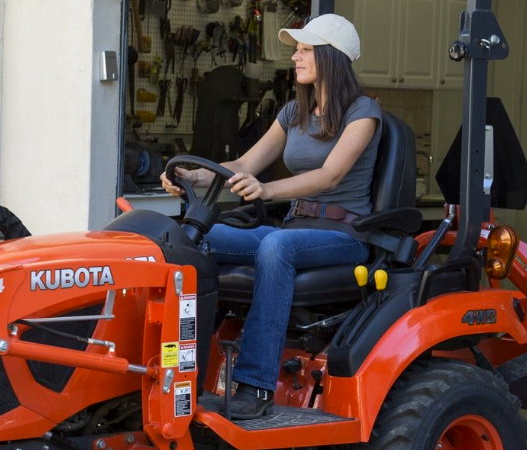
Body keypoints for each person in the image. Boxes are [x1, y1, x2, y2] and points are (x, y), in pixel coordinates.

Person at [160, 13, 381, 419]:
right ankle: (178, 369)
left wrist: (269, 189)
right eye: (296, 49)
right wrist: (191, 173)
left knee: (277, 244)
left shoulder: (363, 112)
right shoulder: (294, 113)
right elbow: (243, 163)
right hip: (297, 228)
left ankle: (255, 387)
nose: (295, 56)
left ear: (331, 57)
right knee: (186, 239)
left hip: (345, 235)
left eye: (304, 49)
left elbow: (330, 175)